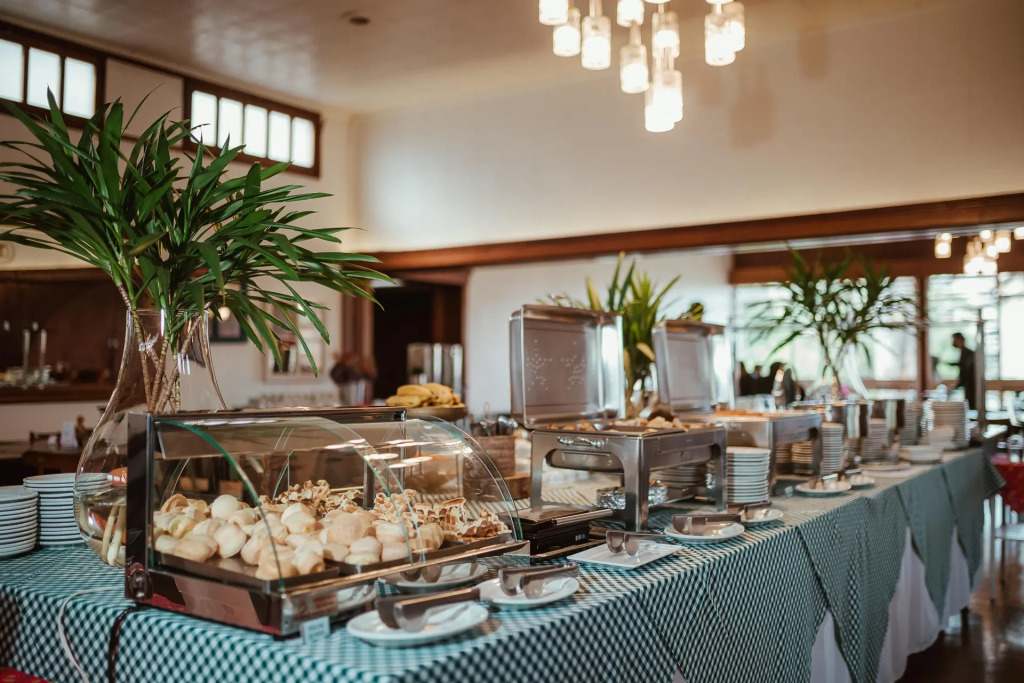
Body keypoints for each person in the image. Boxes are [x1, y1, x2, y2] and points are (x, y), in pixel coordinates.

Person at [950, 332, 978, 410]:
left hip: (971, 387)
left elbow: (966, 372)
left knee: (971, 406)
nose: (953, 342)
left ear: (960, 340)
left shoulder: (968, 353)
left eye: (954, 340)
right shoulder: (964, 352)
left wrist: (957, 385)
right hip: (968, 386)